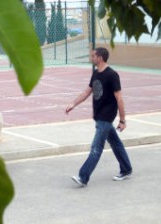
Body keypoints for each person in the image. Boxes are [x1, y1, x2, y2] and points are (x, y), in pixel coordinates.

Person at [65, 47, 132, 187]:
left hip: (106, 117)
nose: (91, 58)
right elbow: (86, 92)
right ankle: (126, 169)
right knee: (115, 143)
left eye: (93, 56)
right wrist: (73, 104)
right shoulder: (96, 73)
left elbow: (119, 98)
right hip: (99, 116)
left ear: (100, 58)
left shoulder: (112, 75)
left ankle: (83, 177)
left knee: (96, 148)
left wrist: (122, 120)